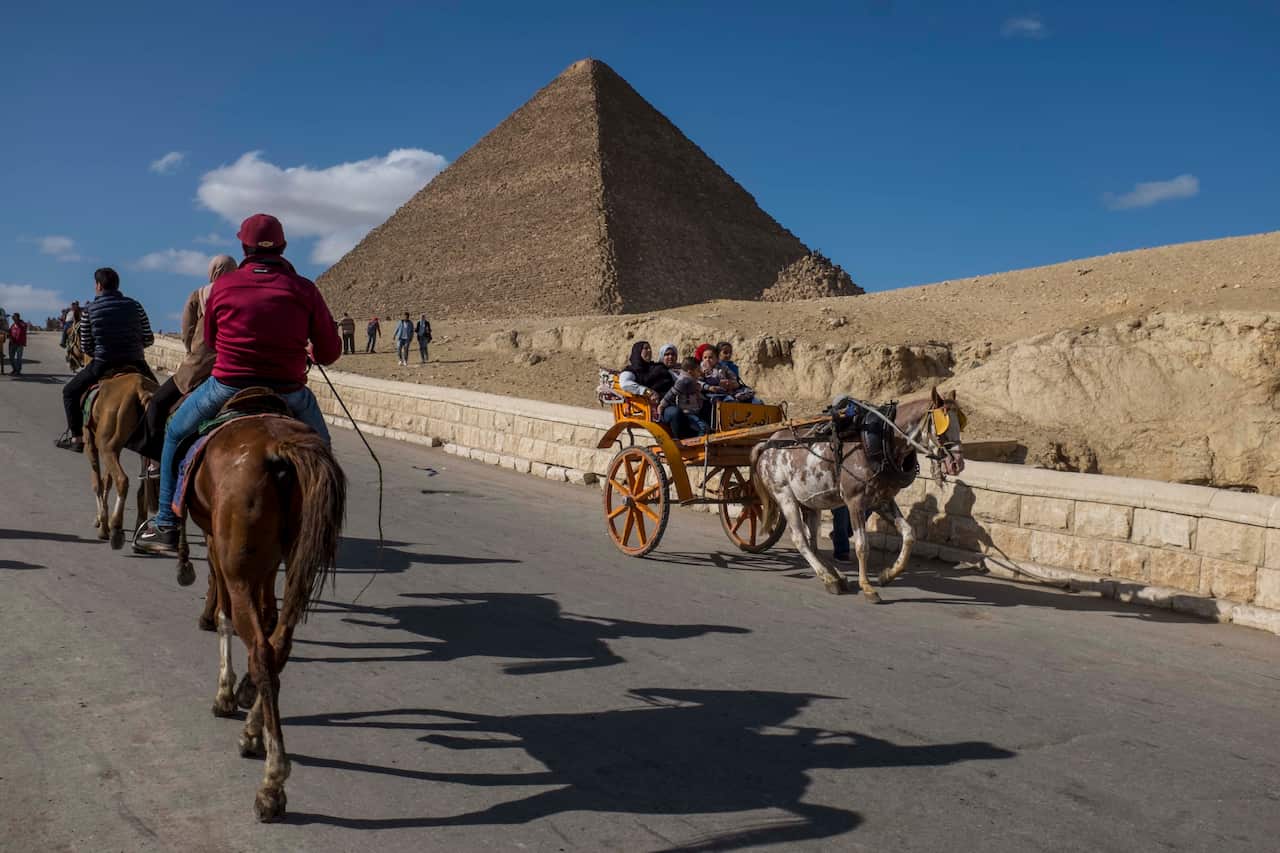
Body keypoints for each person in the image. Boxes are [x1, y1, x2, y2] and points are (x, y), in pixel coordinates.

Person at [134, 213, 341, 554]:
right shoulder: (305, 289)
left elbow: (212, 341)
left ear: (244, 247)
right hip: (288, 389)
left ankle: (166, 525)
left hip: (227, 385)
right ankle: (324, 527)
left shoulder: (223, 288)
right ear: (284, 246)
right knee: (323, 452)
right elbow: (330, 352)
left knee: (173, 431)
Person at [135, 256, 235, 460]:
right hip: (236, 366)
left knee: (158, 404)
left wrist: (192, 351)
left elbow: (187, 331)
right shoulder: (243, 295)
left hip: (199, 368)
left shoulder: (200, 295)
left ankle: (154, 458)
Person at [56, 273, 156, 450]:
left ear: (99, 286)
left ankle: (77, 438)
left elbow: (86, 346)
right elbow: (148, 338)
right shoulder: (135, 305)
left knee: (70, 392)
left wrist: (103, 352)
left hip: (103, 364)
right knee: (160, 398)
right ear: (117, 286)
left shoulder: (90, 310)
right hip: (136, 362)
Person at [658, 357, 711, 438]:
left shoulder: (691, 379)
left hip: (694, 411)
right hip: (688, 412)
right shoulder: (684, 381)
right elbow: (672, 393)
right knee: (703, 428)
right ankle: (698, 446)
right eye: (698, 370)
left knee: (705, 426)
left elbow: (699, 385)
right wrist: (662, 405)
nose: (700, 372)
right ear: (690, 372)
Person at [618, 340, 675, 404]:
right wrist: (648, 392)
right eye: (646, 348)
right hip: (656, 403)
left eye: (650, 348)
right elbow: (625, 383)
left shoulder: (656, 366)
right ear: (638, 351)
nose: (649, 350)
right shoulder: (632, 370)